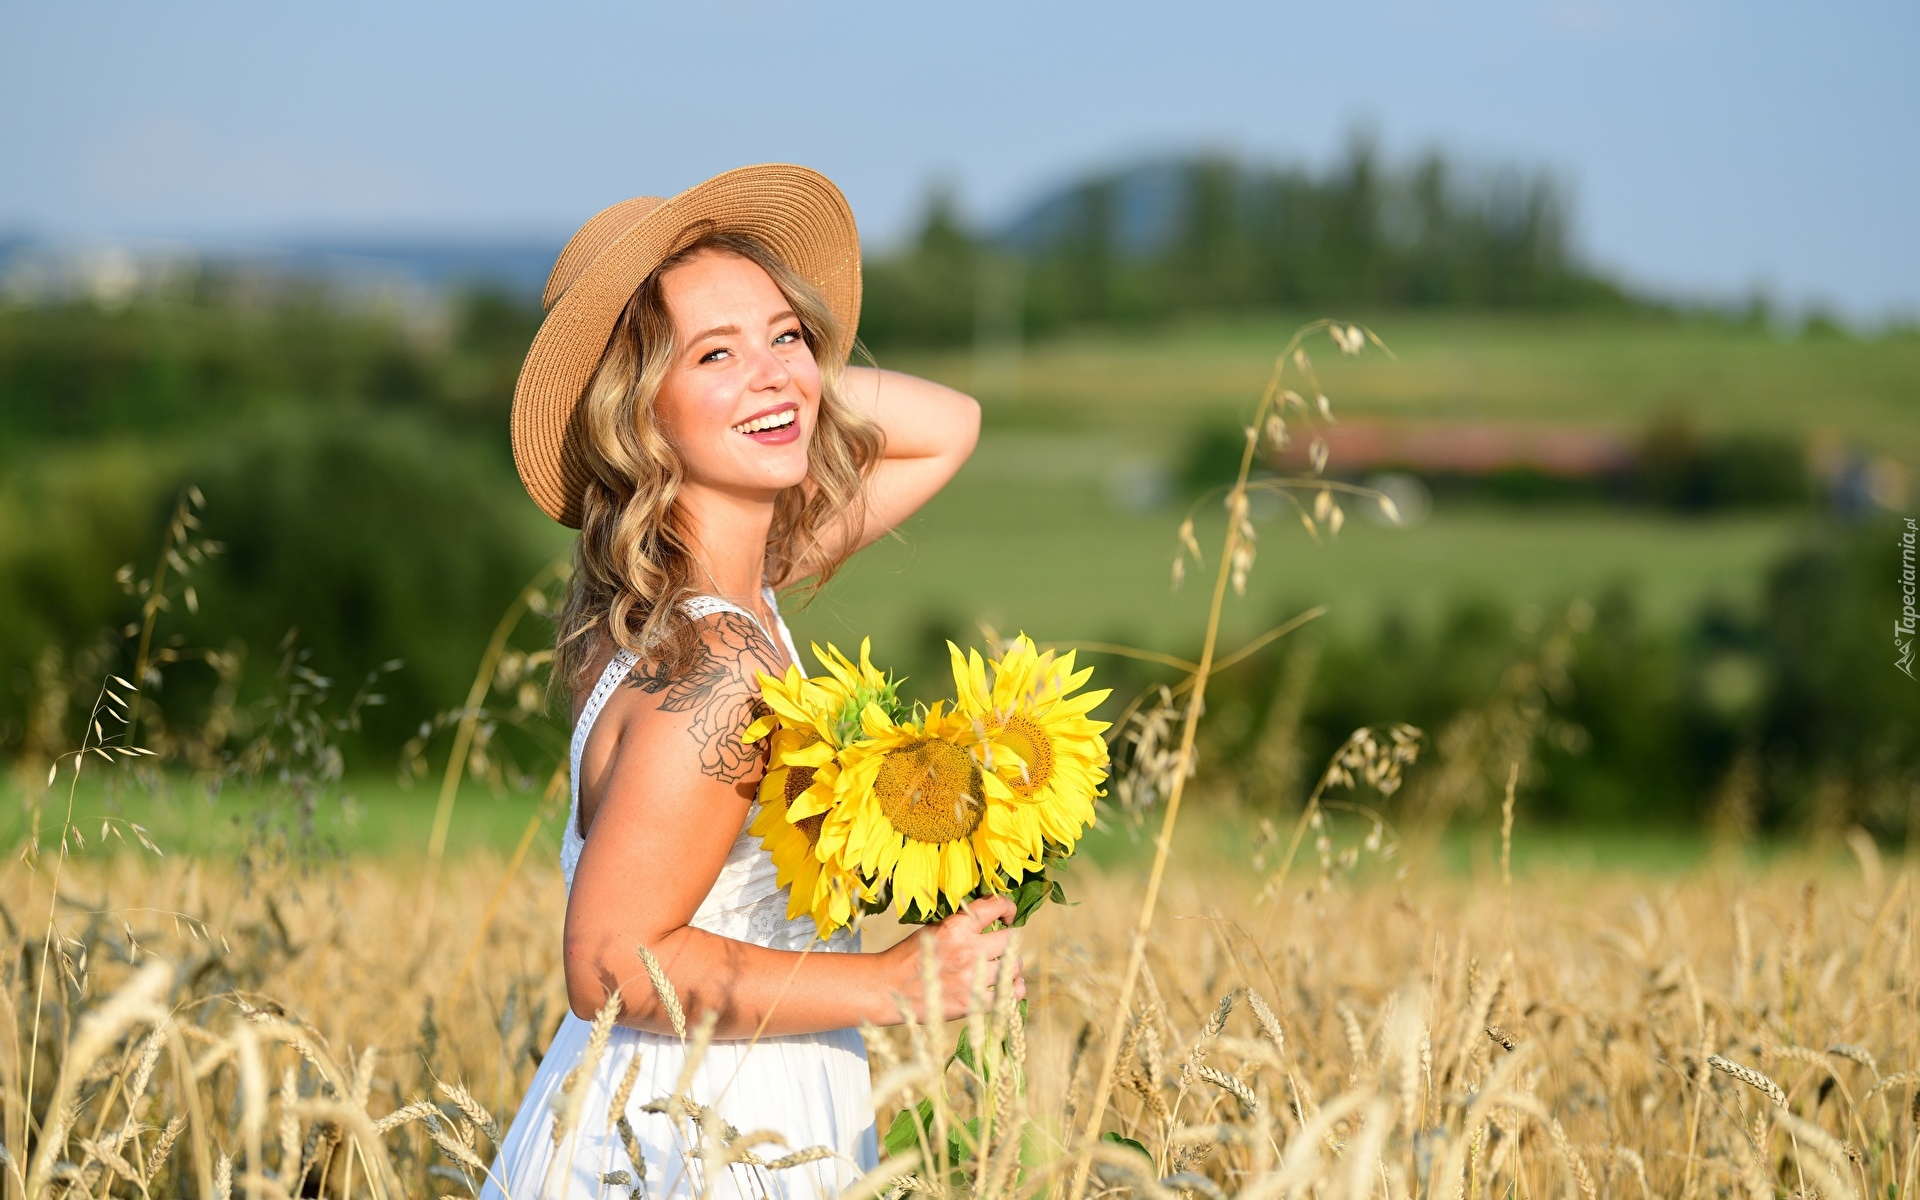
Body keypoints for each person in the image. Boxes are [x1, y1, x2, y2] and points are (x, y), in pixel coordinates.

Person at [482, 165, 1024, 1200]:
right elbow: (608, 961)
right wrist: (894, 984)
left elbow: (949, 422)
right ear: (636, 410)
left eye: (786, 333)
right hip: (695, 1136)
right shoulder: (719, 670)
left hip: (713, 1100)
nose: (772, 371)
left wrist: (772, 385)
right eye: (713, 353)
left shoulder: (705, 594)